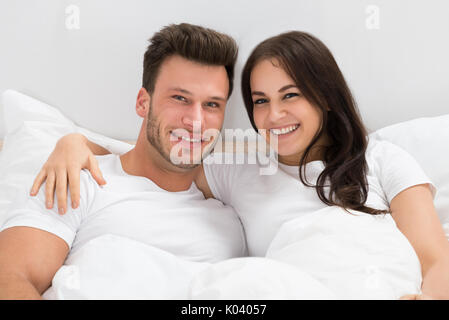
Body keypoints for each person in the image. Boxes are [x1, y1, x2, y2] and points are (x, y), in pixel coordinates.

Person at [30, 31, 449, 300]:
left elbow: (435, 258)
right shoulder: (242, 164)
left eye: (290, 95)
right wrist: (75, 140)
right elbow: (164, 147)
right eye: (261, 101)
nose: (274, 115)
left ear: (324, 95)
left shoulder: (382, 157)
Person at [0, 23, 246, 299]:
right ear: (143, 102)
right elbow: (11, 279)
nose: (197, 121)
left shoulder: (233, 215)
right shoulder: (78, 181)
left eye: (212, 105)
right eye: (180, 98)